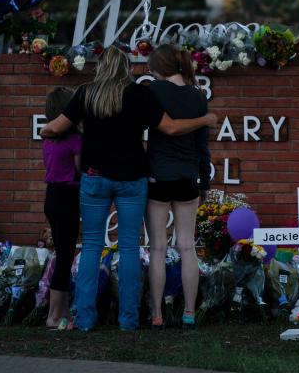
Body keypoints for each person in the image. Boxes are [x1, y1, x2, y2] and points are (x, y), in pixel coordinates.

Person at [40, 46, 216, 332]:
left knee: (93, 246)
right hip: (132, 179)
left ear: (100, 67)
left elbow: (54, 128)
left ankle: (84, 320)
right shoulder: (139, 94)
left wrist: (64, 132)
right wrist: (205, 120)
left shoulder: (86, 93)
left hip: (94, 178)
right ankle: (128, 320)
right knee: (131, 247)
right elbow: (171, 128)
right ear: (125, 67)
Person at [144, 44, 211, 328]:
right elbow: (202, 146)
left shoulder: (153, 91)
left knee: (157, 247)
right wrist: (204, 181)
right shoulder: (198, 97)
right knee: (187, 247)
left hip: (158, 176)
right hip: (188, 177)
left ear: (159, 67)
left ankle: (157, 313)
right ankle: (189, 312)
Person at [40, 87, 82, 330]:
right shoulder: (75, 140)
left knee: (62, 254)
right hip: (68, 197)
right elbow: (80, 170)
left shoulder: (48, 139)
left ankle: (63, 313)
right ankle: (54, 316)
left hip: (52, 196)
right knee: (66, 257)